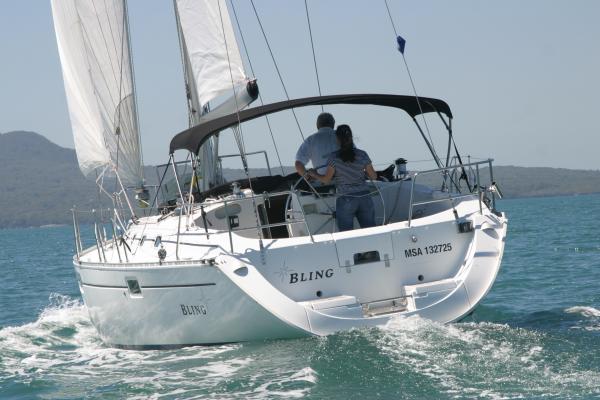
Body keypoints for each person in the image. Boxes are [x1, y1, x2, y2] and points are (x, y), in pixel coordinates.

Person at [309, 124, 378, 232]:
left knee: (346, 236)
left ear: (337, 139)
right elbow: (374, 176)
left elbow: (326, 180)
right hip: (364, 197)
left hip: (346, 199)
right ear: (351, 137)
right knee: (371, 232)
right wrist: (362, 173)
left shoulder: (334, 158)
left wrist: (314, 174)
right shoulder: (362, 155)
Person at [295, 112, 339, 176]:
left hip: (322, 183)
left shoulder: (310, 140)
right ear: (333, 124)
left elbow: (298, 164)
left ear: (317, 125)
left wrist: (308, 178)